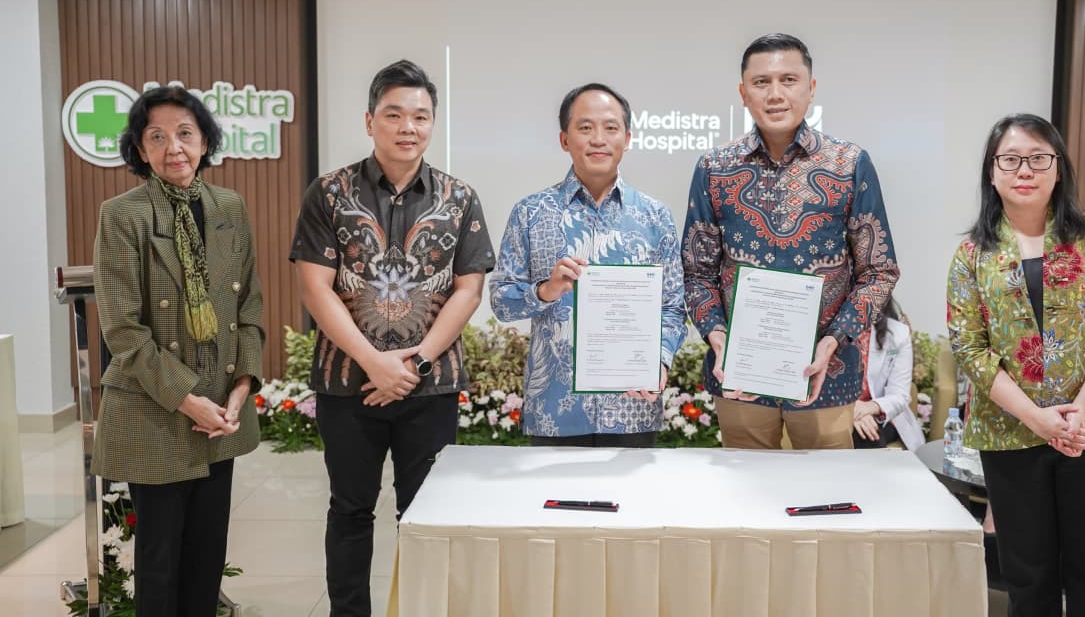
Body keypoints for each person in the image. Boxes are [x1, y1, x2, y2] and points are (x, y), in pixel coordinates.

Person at [290, 59, 494, 616]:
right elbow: (315, 287)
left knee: (425, 517)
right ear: (369, 120)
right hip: (347, 385)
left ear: (433, 123)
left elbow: (469, 290)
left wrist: (415, 363)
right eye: (394, 114)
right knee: (350, 510)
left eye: (420, 116)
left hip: (430, 388)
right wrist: (374, 362)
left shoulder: (459, 197)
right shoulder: (328, 193)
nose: (408, 127)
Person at [946, 113, 1085, 617]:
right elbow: (969, 348)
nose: (1025, 170)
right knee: (1027, 578)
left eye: (1038, 158)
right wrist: (1036, 418)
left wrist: (1078, 409)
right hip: (1011, 431)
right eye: (1010, 159)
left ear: (1058, 168)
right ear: (992, 172)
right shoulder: (971, 255)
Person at [92, 85, 264, 615]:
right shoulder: (123, 214)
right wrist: (189, 401)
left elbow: (249, 305)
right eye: (157, 137)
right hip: (156, 412)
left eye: (185, 134)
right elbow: (123, 330)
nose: (174, 148)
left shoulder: (228, 207)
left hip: (221, 414)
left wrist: (240, 390)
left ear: (205, 141)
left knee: (207, 560)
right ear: (139, 149)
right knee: (160, 566)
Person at [681, 33, 899, 450]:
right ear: (743, 94)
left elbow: (878, 271)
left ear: (811, 88)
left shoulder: (849, 163)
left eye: (789, 80)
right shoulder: (714, 167)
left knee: (824, 488)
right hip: (739, 377)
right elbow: (696, 273)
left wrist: (834, 341)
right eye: (761, 82)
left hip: (827, 375)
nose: (776, 94)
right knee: (743, 485)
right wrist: (717, 337)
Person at [489, 83, 686, 445]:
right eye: (585, 127)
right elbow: (501, 301)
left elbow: (673, 306)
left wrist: (658, 361)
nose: (598, 139)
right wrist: (545, 291)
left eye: (610, 128)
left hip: (632, 409)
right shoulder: (531, 213)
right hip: (555, 412)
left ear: (628, 138)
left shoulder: (655, 216)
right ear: (564, 139)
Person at [851, 299, 925, 450]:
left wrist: (870, 407)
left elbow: (899, 395)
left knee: (867, 434)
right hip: (834, 411)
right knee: (854, 432)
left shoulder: (898, 334)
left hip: (880, 414)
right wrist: (848, 411)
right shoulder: (826, 330)